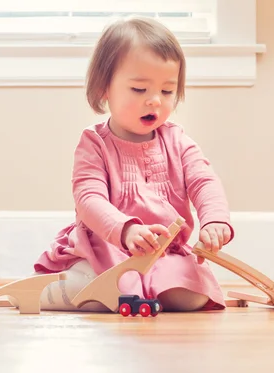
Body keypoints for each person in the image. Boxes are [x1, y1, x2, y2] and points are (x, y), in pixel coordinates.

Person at [21, 16, 235, 312]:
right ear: (104, 89)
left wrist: (214, 219)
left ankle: (150, 289)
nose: (155, 101)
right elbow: (88, 198)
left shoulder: (177, 140)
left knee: (192, 295)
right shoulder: (95, 144)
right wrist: (125, 231)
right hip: (108, 248)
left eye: (167, 91)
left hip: (164, 253)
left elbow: (204, 181)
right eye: (139, 89)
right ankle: (62, 287)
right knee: (106, 290)